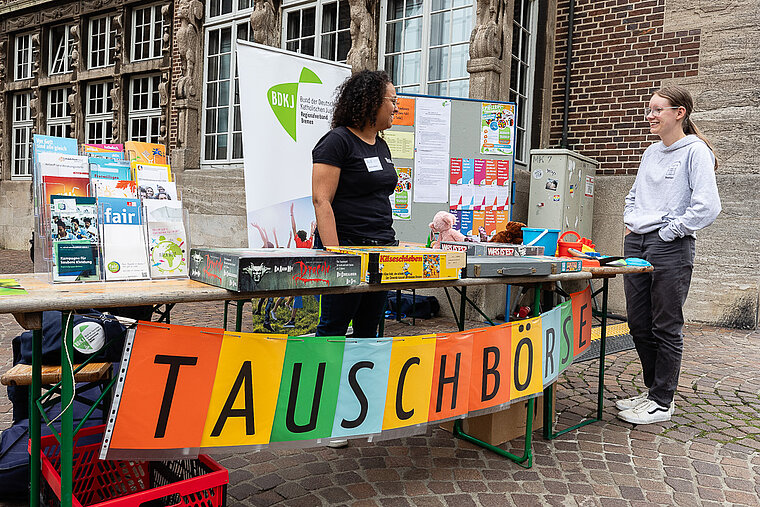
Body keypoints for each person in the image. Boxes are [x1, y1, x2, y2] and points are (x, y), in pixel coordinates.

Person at [617, 85, 721, 425]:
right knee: (638, 322)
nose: (650, 115)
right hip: (637, 243)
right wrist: (631, 223)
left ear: (680, 113)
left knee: (666, 325)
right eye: (649, 108)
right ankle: (652, 392)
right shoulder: (651, 153)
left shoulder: (696, 152)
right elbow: (634, 195)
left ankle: (663, 401)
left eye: (657, 109)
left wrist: (669, 230)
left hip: (670, 245)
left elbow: (707, 206)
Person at [312, 69, 399, 448]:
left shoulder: (381, 144)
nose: (396, 107)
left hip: (382, 252)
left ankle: (356, 414)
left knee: (369, 334)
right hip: (345, 251)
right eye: (391, 100)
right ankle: (323, 418)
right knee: (332, 333)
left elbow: (379, 197)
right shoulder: (336, 143)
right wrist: (336, 258)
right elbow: (321, 201)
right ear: (369, 102)